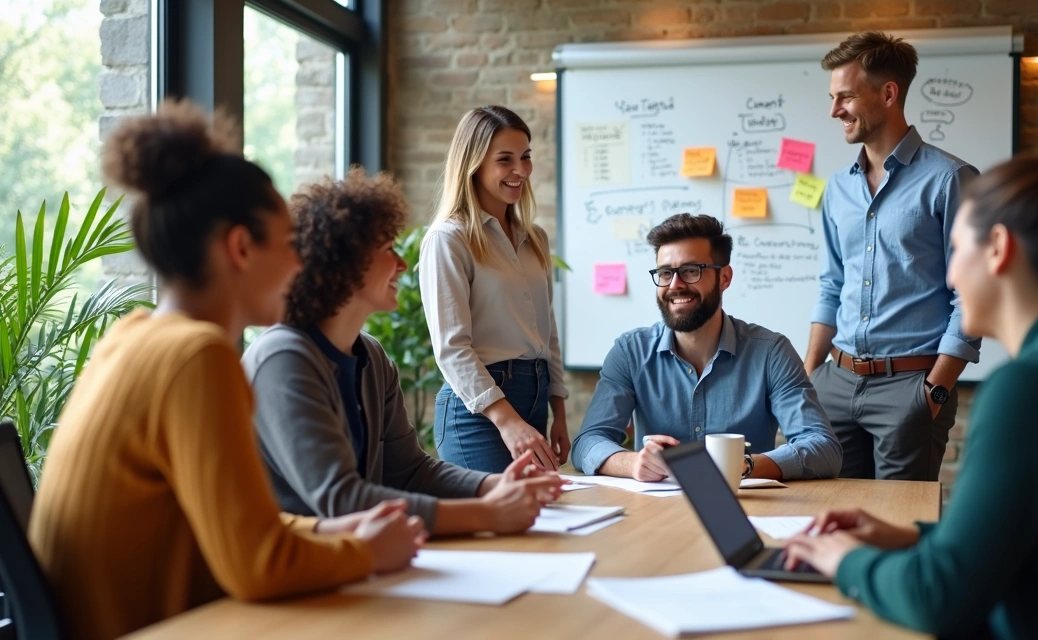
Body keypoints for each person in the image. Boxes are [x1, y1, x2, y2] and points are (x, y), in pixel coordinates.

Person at [28, 101, 425, 640]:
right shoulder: (198, 356)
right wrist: (365, 551)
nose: (299, 263)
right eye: (288, 244)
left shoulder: (131, 337)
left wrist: (332, 530)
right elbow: (259, 564)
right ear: (240, 247)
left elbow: (243, 529)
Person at [781, 156, 1038, 639]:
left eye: (957, 249)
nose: (950, 278)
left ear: (998, 249)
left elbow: (936, 598)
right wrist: (907, 536)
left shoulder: (1035, 386)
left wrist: (845, 559)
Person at [244, 168, 563, 535]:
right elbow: (340, 500)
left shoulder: (373, 358)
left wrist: (494, 486)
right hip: (298, 574)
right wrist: (486, 514)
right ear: (345, 264)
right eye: (387, 249)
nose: (402, 264)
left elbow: (411, 472)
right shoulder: (283, 359)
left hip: (359, 562)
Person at [803, 31, 981, 481]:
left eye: (845, 96)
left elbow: (972, 296)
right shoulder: (837, 188)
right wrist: (807, 381)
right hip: (835, 385)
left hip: (911, 387)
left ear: (888, 93)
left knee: (897, 530)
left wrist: (934, 391)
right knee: (833, 522)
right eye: (832, 97)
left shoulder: (951, 180)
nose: (834, 110)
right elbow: (832, 284)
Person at [571, 213, 842, 482]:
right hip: (656, 511)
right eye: (665, 273)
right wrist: (632, 463)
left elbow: (823, 449)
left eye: (691, 271)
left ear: (724, 277)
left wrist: (740, 466)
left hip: (748, 509)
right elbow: (587, 443)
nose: (675, 285)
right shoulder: (630, 352)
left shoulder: (771, 352)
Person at [420, 105, 568, 474]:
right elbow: (452, 349)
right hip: (479, 414)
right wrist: (507, 420)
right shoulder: (449, 238)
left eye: (526, 157)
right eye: (505, 160)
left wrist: (559, 410)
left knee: (540, 523)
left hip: (534, 399)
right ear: (474, 164)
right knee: (503, 526)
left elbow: (546, 332)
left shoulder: (535, 238)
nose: (521, 170)